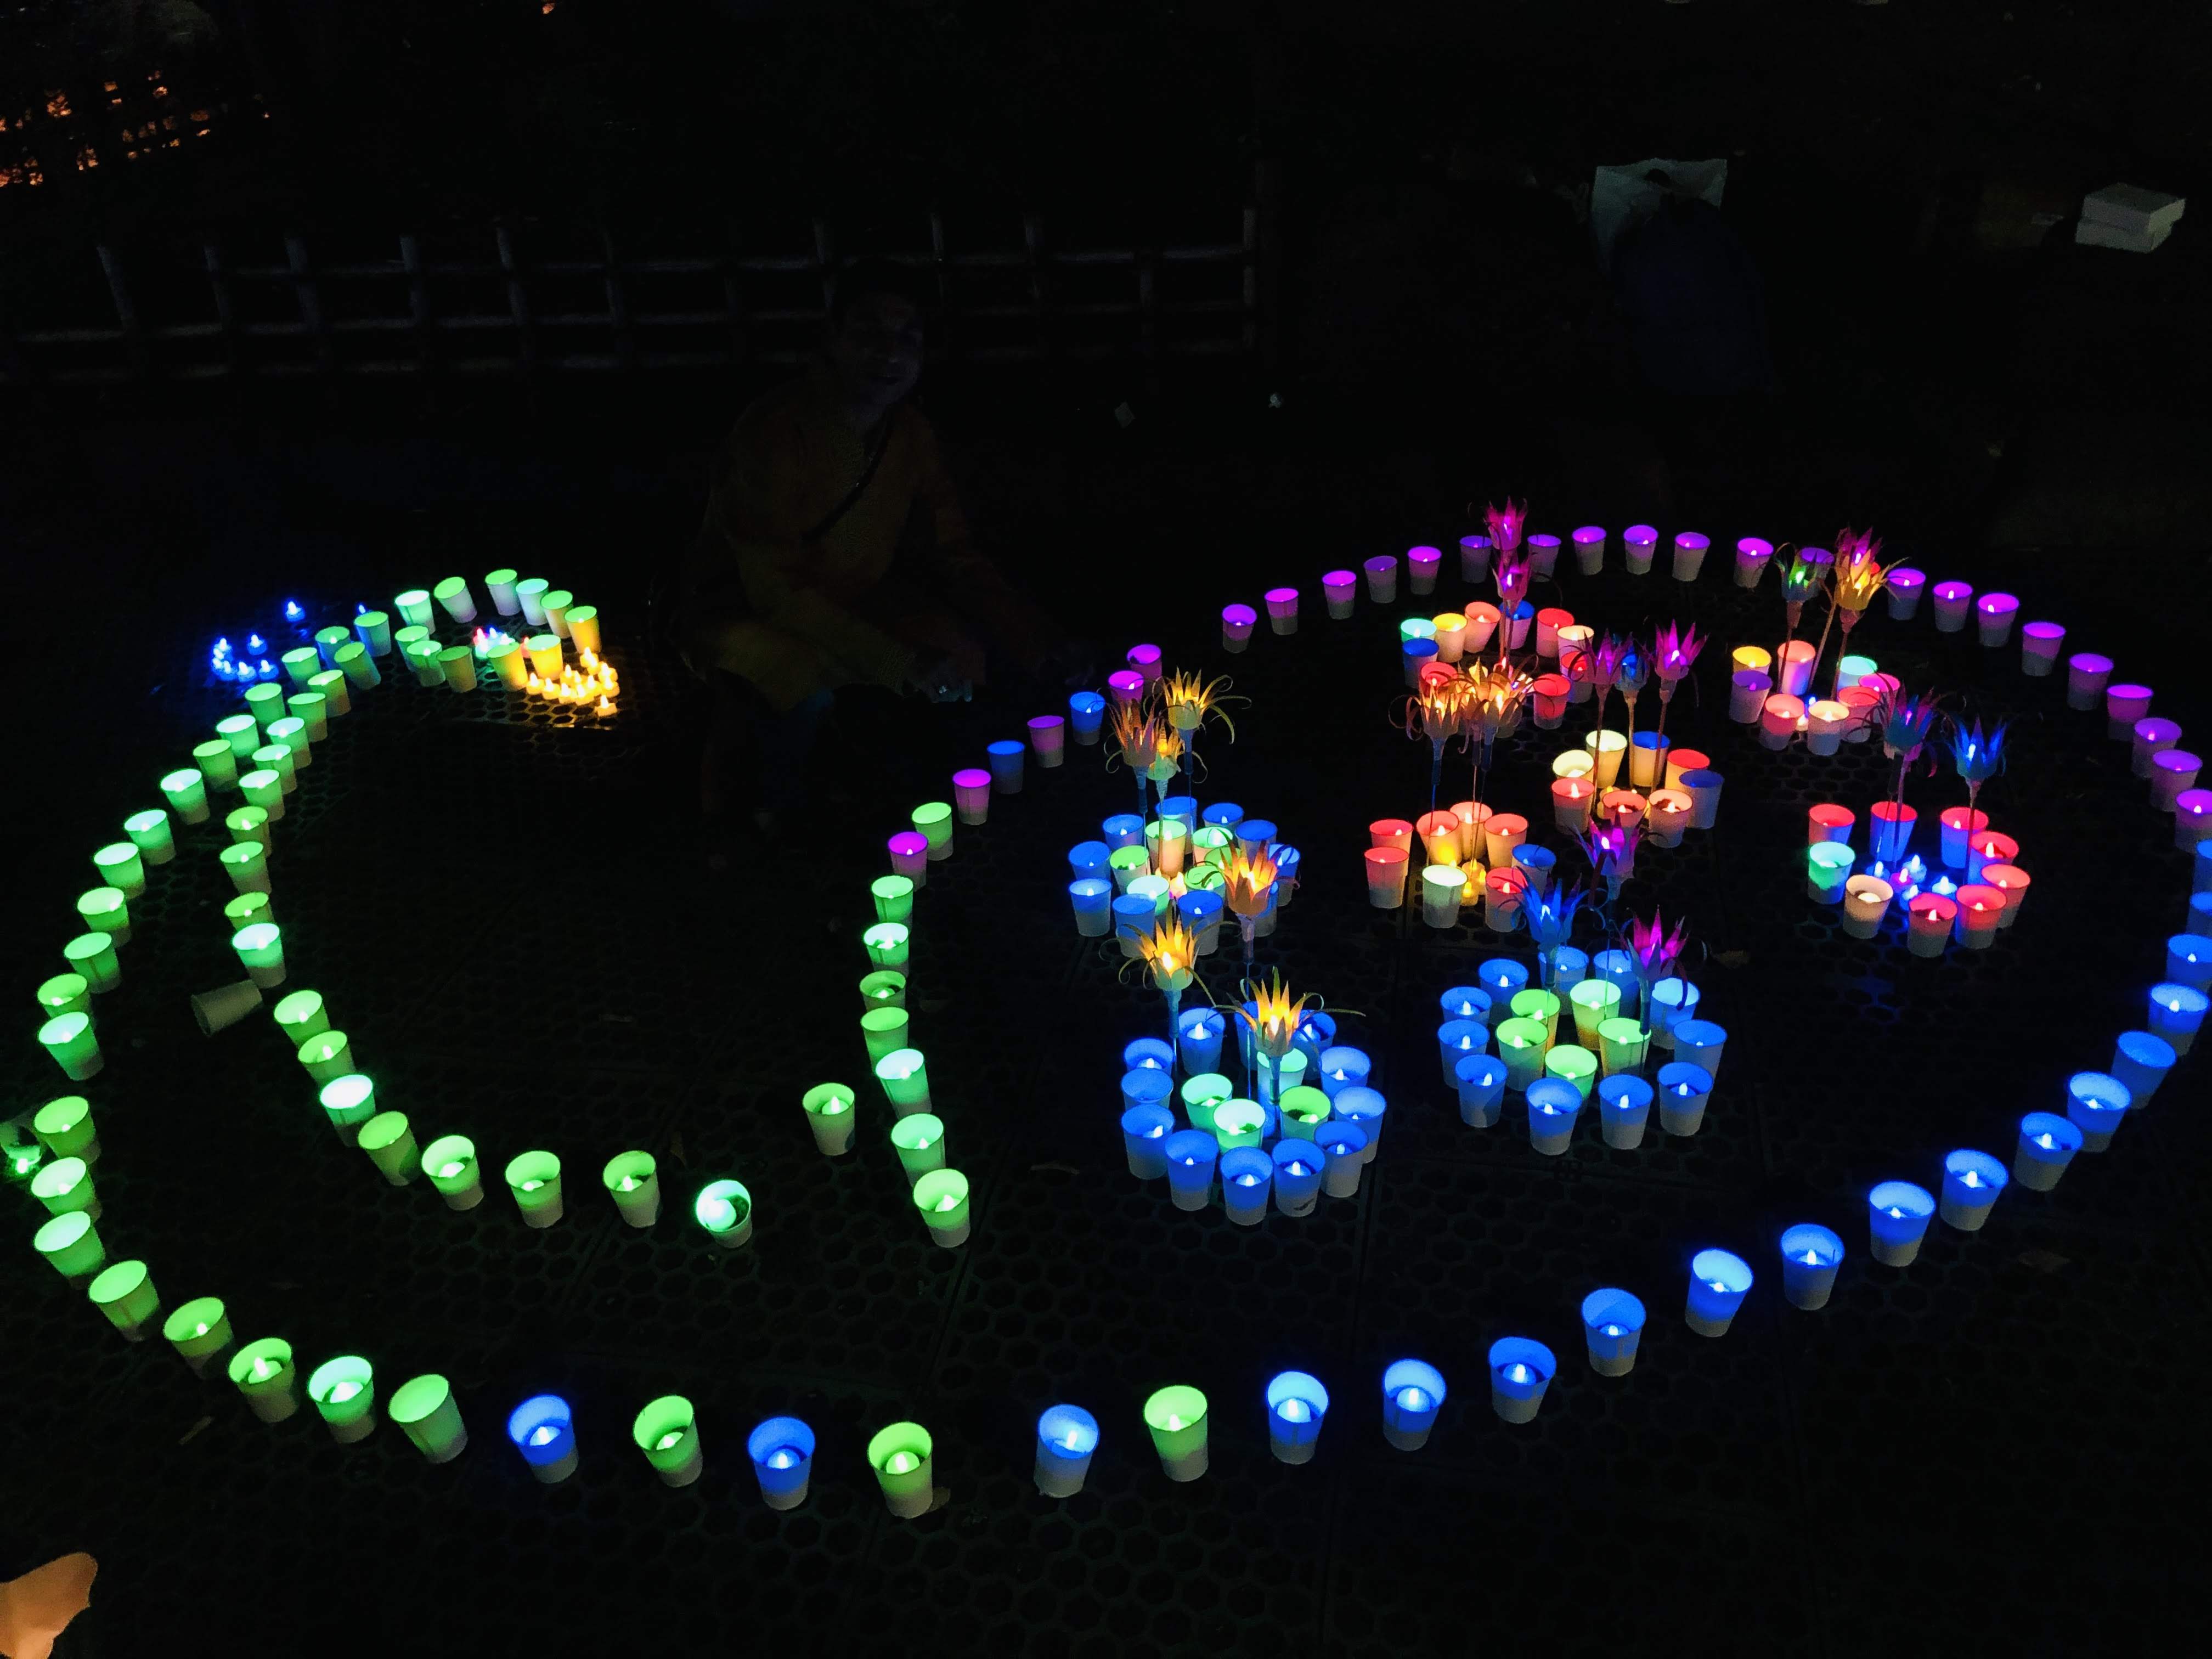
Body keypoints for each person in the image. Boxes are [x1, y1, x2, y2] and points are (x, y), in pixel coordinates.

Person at [684, 259, 1071, 842]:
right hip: (745, 606)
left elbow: (953, 550)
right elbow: (773, 586)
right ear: (832, 339)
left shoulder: (909, 434)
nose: (890, 353)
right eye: (869, 333)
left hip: (857, 599)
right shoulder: (775, 432)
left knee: (959, 655)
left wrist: (1032, 640)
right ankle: (760, 814)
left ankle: (909, 793)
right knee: (794, 676)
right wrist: (895, 660)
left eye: (907, 337)